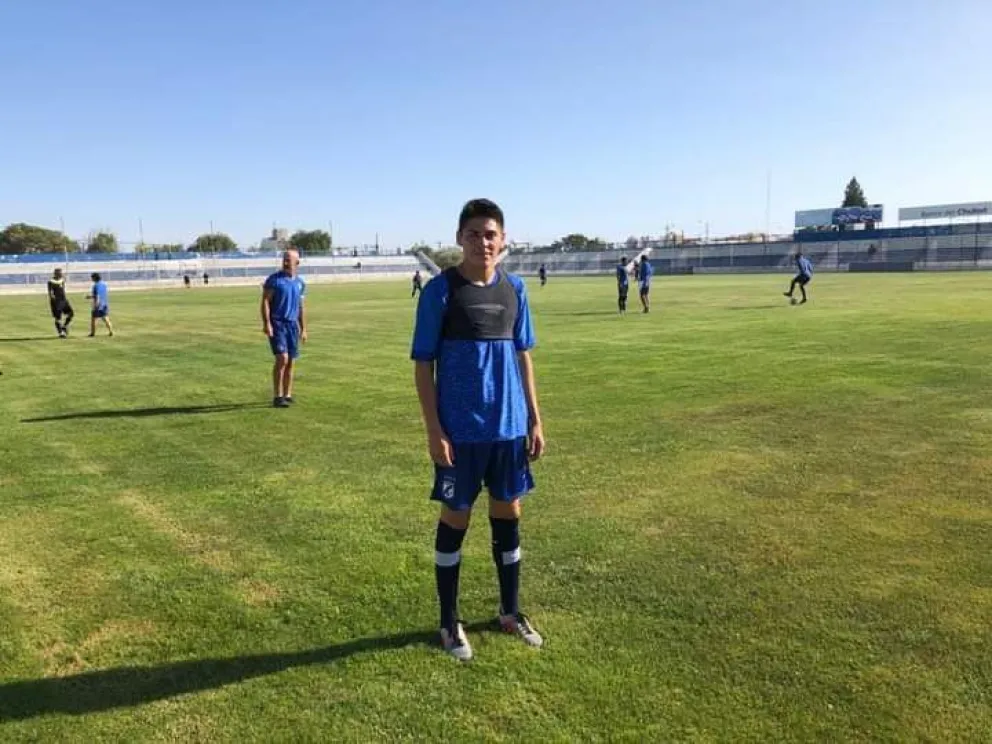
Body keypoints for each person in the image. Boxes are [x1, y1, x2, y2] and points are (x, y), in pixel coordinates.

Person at [412, 198, 546, 661]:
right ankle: (449, 622)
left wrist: (534, 417)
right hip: (461, 432)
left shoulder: (516, 290)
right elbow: (423, 365)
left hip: (508, 429)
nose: (482, 242)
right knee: (457, 518)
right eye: (473, 234)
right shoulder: (441, 292)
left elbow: (523, 354)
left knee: (508, 512)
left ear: (502, 240)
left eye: (490, 234)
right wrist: (434, 430)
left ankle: (510, 611)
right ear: (459, 239)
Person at [261, 248, 307, 408]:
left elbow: (301, 307)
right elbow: (265, 301)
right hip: (278, 323)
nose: (286, 262)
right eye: (284, 259)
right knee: (282, 358)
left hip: (292, 325)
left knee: (291, 362)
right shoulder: (274, 280)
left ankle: (287, 394)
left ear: (297, 262)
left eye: (289, 259)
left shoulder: (300, 283)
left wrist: (304, 328)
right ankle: (277, 396)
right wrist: (267, 323)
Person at [47, 268, 74, 338]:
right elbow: (50, 293)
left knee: (71, 313)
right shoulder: (51, 281)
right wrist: (53, 298)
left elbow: (63, 290)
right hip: (56, 302)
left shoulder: (62, 280)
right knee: (58, 318)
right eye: (60, 273)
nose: (62, 274)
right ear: (56, 274)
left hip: (64, 300)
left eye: (61, 273)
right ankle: (61, 332)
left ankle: (64, 326)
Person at [87, 273, 114, 337]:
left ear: (94, 278)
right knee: (106, 318)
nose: (91, 279)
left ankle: (92, 333)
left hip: (98, 304)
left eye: (92, 278)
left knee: (94, 319)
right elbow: (103, 294)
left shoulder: (95, 285)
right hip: (105, 304)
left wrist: (96, 304)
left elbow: (97, 296)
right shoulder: (104, 284)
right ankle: (111, 331)